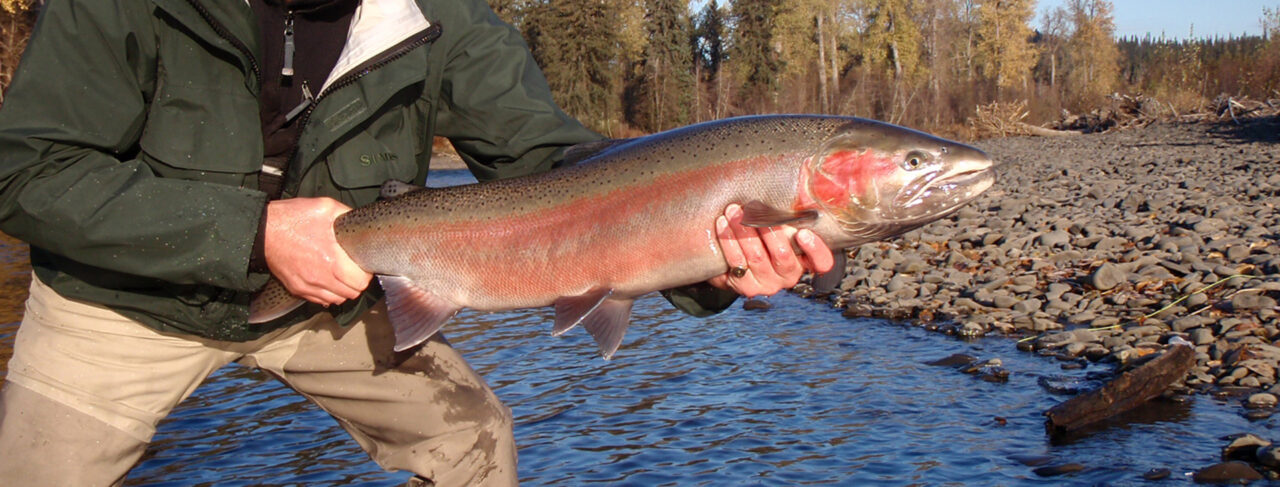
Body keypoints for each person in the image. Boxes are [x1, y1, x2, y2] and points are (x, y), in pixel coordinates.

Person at [0, 0, 833, 485]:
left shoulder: (443, 20)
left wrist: (711, 257)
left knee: (474, 438)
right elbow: (23, 169)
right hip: (126, 295)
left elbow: (567, 175)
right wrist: (253, 233)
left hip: (332, 295)